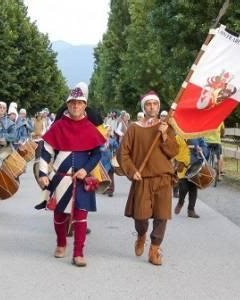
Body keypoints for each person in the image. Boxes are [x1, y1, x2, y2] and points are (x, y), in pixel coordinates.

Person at [38, 82, 105, 267]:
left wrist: (86, 169)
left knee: (81, 216)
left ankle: (78, 253)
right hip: (61, 178)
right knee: (59, 215)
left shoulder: (90, 127)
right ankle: (61, 243)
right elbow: (46, 150)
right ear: (68, 105)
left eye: (80, 103)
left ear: (85, 106)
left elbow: (97, 153)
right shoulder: (58, 126)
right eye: (72, 103)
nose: (76, 106)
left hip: (82, 179)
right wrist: (43, 173)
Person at [118, 90, 178, 266]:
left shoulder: (167, 126)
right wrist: (131, 170)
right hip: (142, 178)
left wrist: (165, 135)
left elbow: (174, 151)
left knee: (161, 216)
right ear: (144, 107)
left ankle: (154, 249)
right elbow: (123, 153)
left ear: (159, 106)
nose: (152, 107)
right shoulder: (134, 128)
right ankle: (141, 234)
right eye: (148, 104)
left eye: (155, 104)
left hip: (163, 178)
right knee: (141, 217)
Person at [174, 137, 209, 218]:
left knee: (193, 188)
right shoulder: (178, 136)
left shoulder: (197, 136)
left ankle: (191, 210)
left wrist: (202, 150)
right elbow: (172, 150)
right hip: (182, 166)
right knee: (183, 187)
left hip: (194, 166)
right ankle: (181, 202)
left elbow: (205, 147)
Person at [100, 124, 119, 197]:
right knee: (103, 175)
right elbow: (96, 148)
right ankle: (104, 189)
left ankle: (111, 190)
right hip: (102, 160)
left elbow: (117, 148)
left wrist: (114, 151)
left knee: (110, 175)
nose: (108, 132)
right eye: (107, 130)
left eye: (109, 130)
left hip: (109, 160)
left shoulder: (112, 140)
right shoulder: (100, 139)